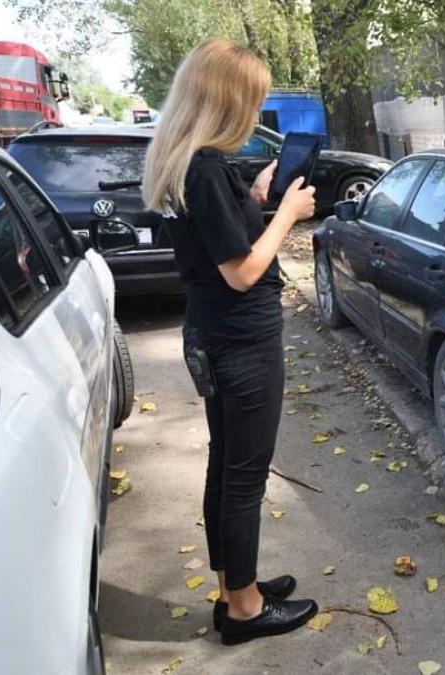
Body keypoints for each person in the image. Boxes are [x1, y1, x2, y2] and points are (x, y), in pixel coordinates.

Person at [142, 38, 319, 645]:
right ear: (226, 100)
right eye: (253, 100)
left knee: (227, 466)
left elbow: (216, 237)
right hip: (240, 343)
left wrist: (256, 199)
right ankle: (244, 611)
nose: (256, 112)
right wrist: (287, 216)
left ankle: (233, 587)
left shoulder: (191, 164)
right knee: (244, 477)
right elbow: (241, 270)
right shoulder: (206, 167)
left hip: (216, 336)